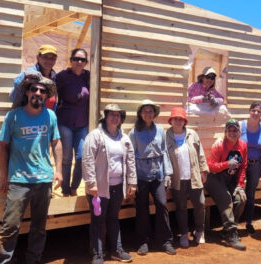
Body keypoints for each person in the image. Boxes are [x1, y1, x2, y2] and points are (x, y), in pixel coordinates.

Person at [0, 72, 62, 264]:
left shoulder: (51, 116)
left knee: (39, 227)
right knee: (10, 227)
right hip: (19, 180)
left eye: (42, 91)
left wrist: (59, 171)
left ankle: (34, 260)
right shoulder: (13, 116)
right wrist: (5, 176)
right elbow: (2, 146)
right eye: (34, 89)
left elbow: (56, 142)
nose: (38, 93)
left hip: (44, 180)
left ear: (46, 96)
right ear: (27, 92)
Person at [83, 104, 137, 264]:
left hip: (117, 187)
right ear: (105, 117)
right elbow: (87, 160)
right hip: (98, 188)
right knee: (98, 220)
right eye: (112, 114)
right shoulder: (95, 136)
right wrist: (91, 183)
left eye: (118, 115)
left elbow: (130, 161)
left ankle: (116, 250)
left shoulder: (124, 138)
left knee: (113, 218)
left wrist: (132, 182)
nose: (115, 117)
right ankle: (97, 254)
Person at [128, 99, 175, 256]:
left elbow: (164, 152)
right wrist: (132, 179)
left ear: (154, 113)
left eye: (150, 111)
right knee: (141, 207)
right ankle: (144, 241)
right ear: (140, 114)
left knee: (162, 204)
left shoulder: (160, 130)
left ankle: (166, 240)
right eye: (145, 111)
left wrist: (168, 173)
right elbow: (130, 157)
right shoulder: (134, 132)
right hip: (141, 174)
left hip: (157, 174)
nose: (148, 114)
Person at [166, 107, 209, 248]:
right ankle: (184, 233)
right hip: (177, 179)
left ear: (184, 121)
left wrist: (204, 170)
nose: (178, 121)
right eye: (175, 119)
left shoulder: (192, 134)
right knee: (181, 207)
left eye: (181, 119)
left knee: (200, 203)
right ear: (171, 121)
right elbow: (164, 157)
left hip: (194, 176)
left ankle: (199, 230)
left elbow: (200, 153)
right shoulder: (167, 136)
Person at [205, 119, 247, 251]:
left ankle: (226, 229)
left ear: (239, 132)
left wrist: (240, 184)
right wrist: (226, 164)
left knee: (241, 199)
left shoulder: (243, 145)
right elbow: (210, 166)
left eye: (235, 130)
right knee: (226, 198)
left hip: (230, 178)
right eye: (229, 130)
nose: (232, 133)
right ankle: (231, 234)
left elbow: (243, 167)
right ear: (225, 132)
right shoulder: (219, 145)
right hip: (213, 178)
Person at [56, 48, 90, 196]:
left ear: (86, 63)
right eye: (76, 59)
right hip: (65, 121)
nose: (79, 62)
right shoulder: (62, 76)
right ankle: (65, 190)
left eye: (82, 60)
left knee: (82, 157)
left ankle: (74, 186)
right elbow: (50, 93)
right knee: (67, 158)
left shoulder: (89, 77)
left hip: (82, 123)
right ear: (71, 60)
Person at [240, 102, 261, 234]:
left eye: (259, 111)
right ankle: (231, 222)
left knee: (250, 193)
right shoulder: (241, 125)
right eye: (253, 110)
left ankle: (249, 222)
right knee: (236, 190)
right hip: (240, 164)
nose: (256, 113)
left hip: (256, 164)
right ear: (249, 111)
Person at [10, 44, 58, 110]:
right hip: (28, 118)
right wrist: (22, 80)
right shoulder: (29, 74)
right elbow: (13, 98)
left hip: (47, 118)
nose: (49, 61)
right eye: (45, 57)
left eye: (52, 58)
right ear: (38, 57)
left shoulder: (54, 77)